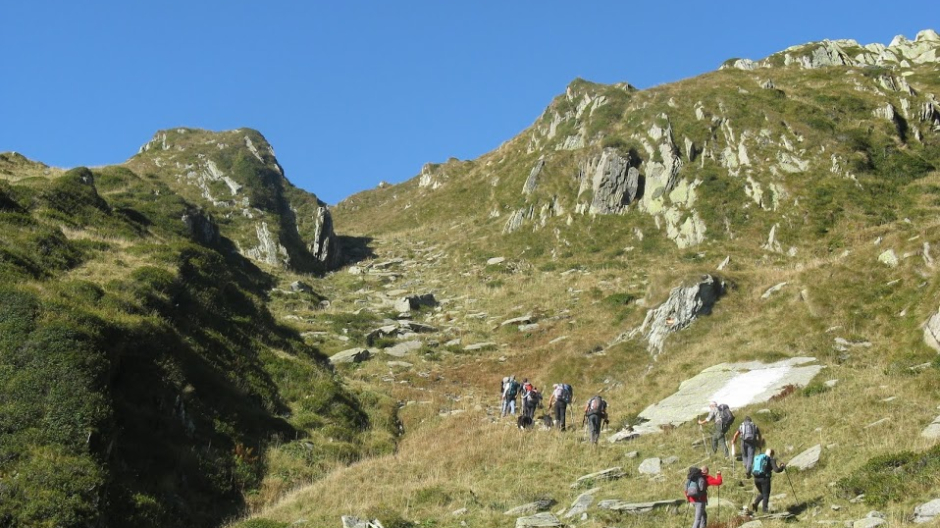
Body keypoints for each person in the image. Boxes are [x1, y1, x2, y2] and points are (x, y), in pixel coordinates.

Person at [747, 448, 786, 515]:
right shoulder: (771, 459)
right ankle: (765, 510)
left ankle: (755, 503)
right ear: (772, 454)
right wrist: (782, 467)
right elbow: (776, 470)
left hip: (756, 478)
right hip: (765, 479)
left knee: (762, 493)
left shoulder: (760, 457)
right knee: (766, 495)